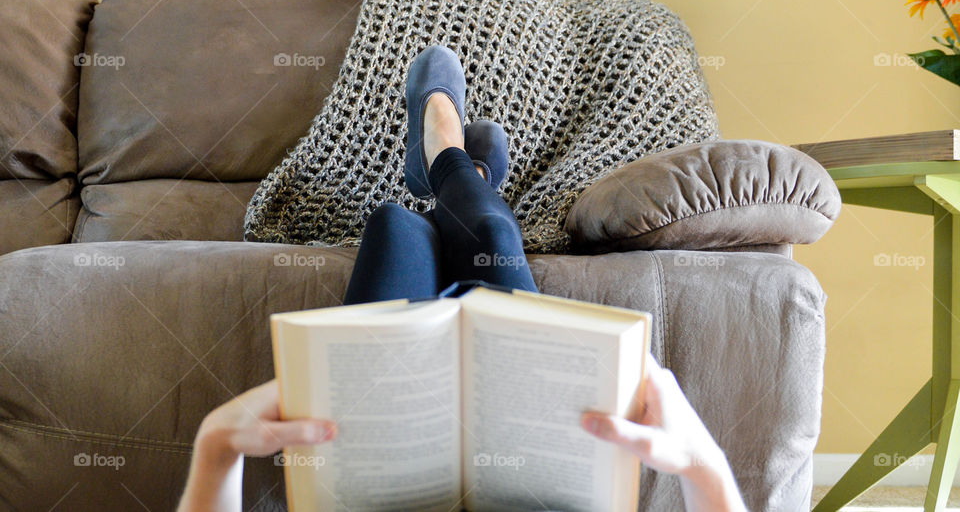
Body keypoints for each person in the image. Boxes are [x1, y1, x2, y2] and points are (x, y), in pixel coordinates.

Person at [177, 45, 748, 512]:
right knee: (493, 240)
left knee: (397, 225)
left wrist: (216, 448)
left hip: (373, 482)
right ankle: (456, 166)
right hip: (534, 481)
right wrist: (703, 465)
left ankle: (446, 163)